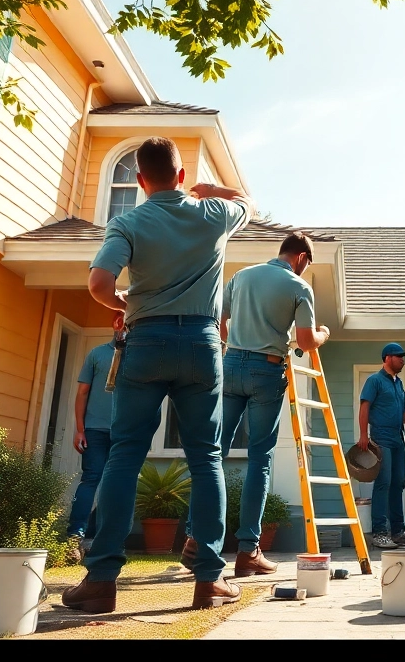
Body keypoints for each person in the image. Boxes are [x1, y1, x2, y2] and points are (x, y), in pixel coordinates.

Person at [61, 136, 251, 613]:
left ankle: (102, 580)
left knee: (125, 455)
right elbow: (244, 202)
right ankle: (209, 579)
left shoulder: (127, 221)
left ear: (141, 181)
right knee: (206, 456)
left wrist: (122, 302)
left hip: (145, 343)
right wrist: (210, 189)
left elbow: (99, 284)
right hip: (202, 345)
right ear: (181, 176)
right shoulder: (212, 215)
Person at [179, 233, 331, 576]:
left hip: (231, 366)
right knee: (260, 459)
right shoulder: (297, 286)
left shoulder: (242, 276)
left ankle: (195, 538)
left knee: (213, 453)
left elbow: (218, 322)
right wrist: (323, 333)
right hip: (267, 370)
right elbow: (306, 342)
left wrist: (236, 346)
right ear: (303, 258)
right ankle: (248, 552)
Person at [357, 342, 405, 549]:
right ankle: (379, 533)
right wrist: (363, 435)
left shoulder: (398, 384)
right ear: (387, 358)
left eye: (403, 357)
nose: (403, 360)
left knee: (399, 484)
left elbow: (402, 413)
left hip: (398, 439)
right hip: (381, 438)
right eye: (399, 356)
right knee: (383, 483)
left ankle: (398, 532)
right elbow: (364, 408)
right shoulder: (374, 381)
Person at [66, 339, 116, 550]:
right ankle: (76, 535)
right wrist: (80, 429)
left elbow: (82, 393)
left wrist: (80, 429)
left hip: (122, 432)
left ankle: (85, 534)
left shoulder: (99, 353)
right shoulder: (97, 354)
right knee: (98, 481)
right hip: (98, 430)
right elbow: (82, 392)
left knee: (103, 482)